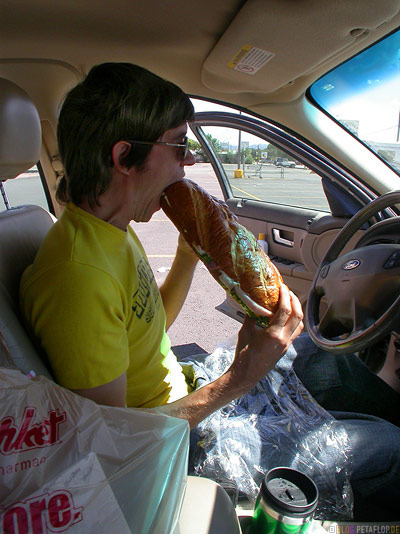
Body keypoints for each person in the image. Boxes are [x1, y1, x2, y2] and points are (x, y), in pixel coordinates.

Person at [19, 62, 400, 521]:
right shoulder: (77, 276)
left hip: (192, 386)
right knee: (390, 451)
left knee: (330, 360)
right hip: (188, 448)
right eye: (178, 145)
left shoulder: (110, 230)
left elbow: (146, 324)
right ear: (124, 157)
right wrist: (242, 375)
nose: (191, 161)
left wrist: (188, 256)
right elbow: (119, 446)